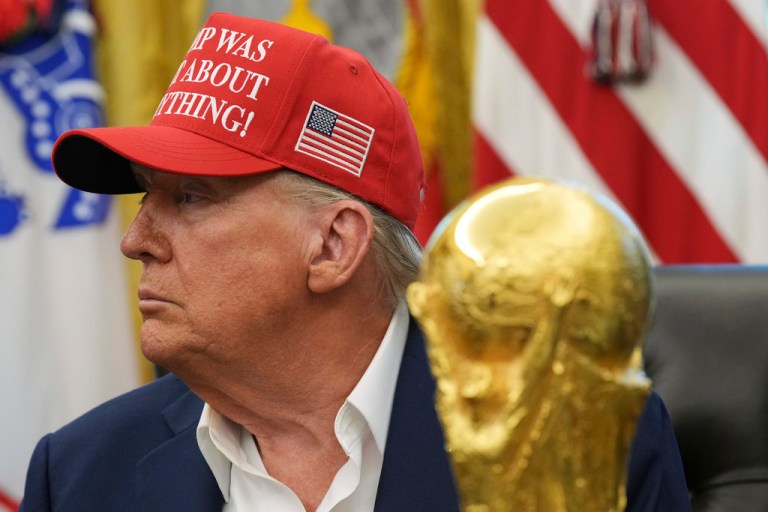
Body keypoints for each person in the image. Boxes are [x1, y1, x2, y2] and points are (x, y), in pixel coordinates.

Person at [19, 13, 691, 512]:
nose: (134, 240)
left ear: (335, 244)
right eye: (146, 197)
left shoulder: (565, 442)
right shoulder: (82, 475)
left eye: (190, 198)